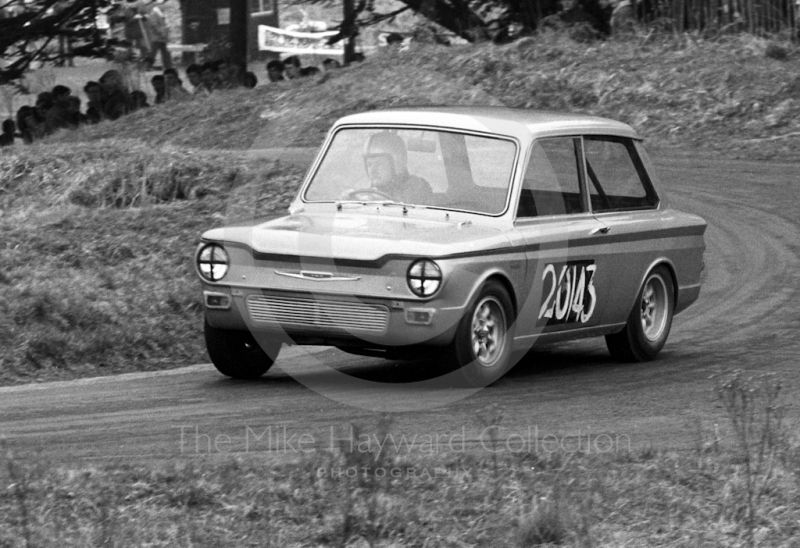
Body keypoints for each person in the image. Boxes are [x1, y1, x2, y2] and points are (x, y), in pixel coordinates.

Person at [359, 132, 433, 204]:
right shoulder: (366, 190)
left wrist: (377, 199)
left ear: (398, 163)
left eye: (379, 164)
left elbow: (406, 208)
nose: (372, 171)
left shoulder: (417, 187)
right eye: (369, 165)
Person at [145, 0, 172, 69]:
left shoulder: (160, 13)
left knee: (165, 52)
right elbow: (154, 25)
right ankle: (147, 66)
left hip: (162, 37)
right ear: (158, 5)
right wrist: (161, 32)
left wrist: (165, 32)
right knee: (153, 53)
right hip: (156, 37)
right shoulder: (154, 13)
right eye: (162, 4)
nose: (164, 6)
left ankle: (168, 66)